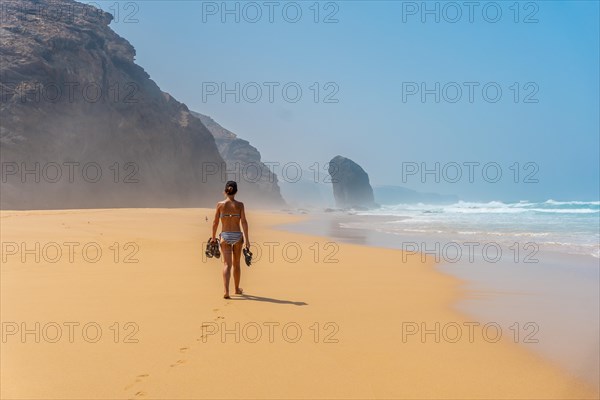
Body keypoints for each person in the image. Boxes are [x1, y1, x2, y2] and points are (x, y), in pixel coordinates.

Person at [211, 181, 250, 299]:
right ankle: (237, 289)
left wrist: (213, 237)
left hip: (225, 236)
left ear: (225, 191)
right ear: (236, 191)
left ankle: (226, 291)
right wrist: (247, 239)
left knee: (227, 264)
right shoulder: (240, 205)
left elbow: (215, 222)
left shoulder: (220, 205)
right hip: (237, 236)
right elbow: (244, 222)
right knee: (236, 264)